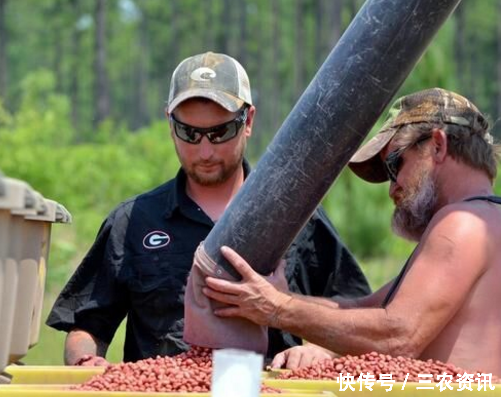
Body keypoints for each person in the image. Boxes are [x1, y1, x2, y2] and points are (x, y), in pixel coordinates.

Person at [46, 51, 370, 366]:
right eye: (189, 133)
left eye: (220, 132)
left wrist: (318, 350)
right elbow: (87, 325)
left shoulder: (296, 216)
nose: (204, 151)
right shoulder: (133, 221)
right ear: (170, 124)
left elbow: (351, 311)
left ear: (248, 121)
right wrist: (85, 361)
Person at [202, 88, 501, 374]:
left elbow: (398, 335)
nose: (392, 188)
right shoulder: (483, 220)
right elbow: (367, 309)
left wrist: (277, 308)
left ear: (438, 145)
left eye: (395, 165)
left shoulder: (464, 224)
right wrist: (278, 296)